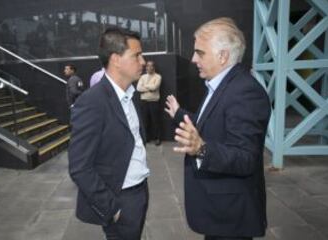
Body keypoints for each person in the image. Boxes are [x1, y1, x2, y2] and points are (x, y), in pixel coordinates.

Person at [165, 17, 271, 240]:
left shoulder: (244, 92)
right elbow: (211, 123)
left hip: (230, 217)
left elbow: (246, 157)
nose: (193, 59)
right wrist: (180, 114)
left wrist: (202, 149)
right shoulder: (222, 84)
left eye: (200, 53)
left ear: (223, 56)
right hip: (219, 212)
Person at [68, 27, 149, 240]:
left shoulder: (132, 94)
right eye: (137, 55)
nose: (143, 61)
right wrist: (112, 208)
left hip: (140, 190)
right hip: (120, 200)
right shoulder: (92, 101)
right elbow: (79, 167)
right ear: (115, 59)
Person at [137, 60, 162, 145]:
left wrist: (145, 87)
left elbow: (155, 87)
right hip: (144, 102)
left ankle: (157, 138)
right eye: (147, 66)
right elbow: (138, 88)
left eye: (151, 66)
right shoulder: (142, 77)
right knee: (144, 121)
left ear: (154, 67)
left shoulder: (158, 77)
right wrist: (149, 88)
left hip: (154, 102)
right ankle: (146, 138)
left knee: (156, 121)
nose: (149, 67)